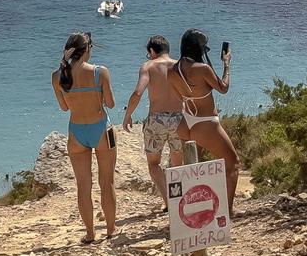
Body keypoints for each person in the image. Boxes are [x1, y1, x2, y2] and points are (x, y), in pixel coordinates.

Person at [50, 30, 117, 243]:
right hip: (101, 130)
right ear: (87, 49)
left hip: (76, 132)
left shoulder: (57, 76)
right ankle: (110, 230)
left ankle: (90, 233)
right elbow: (111, 103)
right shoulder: (100, 72)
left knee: (83, 186)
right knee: (107, 183)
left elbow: (63, 107)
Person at [169, 28, 242, 209]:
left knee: (193, 171)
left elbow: (180, 98)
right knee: (232, 163)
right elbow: (223, 88)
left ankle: (193, 208)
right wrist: (226, 64)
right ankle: (228, 211)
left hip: (186, 123)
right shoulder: (202, 69)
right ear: (199, 48)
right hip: (206, 123)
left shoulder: (172, 70)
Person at [122, 35, 187, 204]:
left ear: (152, 51)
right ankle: (179, 200)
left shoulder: (148, 66)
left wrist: (128, 115)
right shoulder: (179, 66)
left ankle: (168, 200)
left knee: (153, 165)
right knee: (177, 164)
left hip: (156, 121)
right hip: (179, 119)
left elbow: (138, 93)